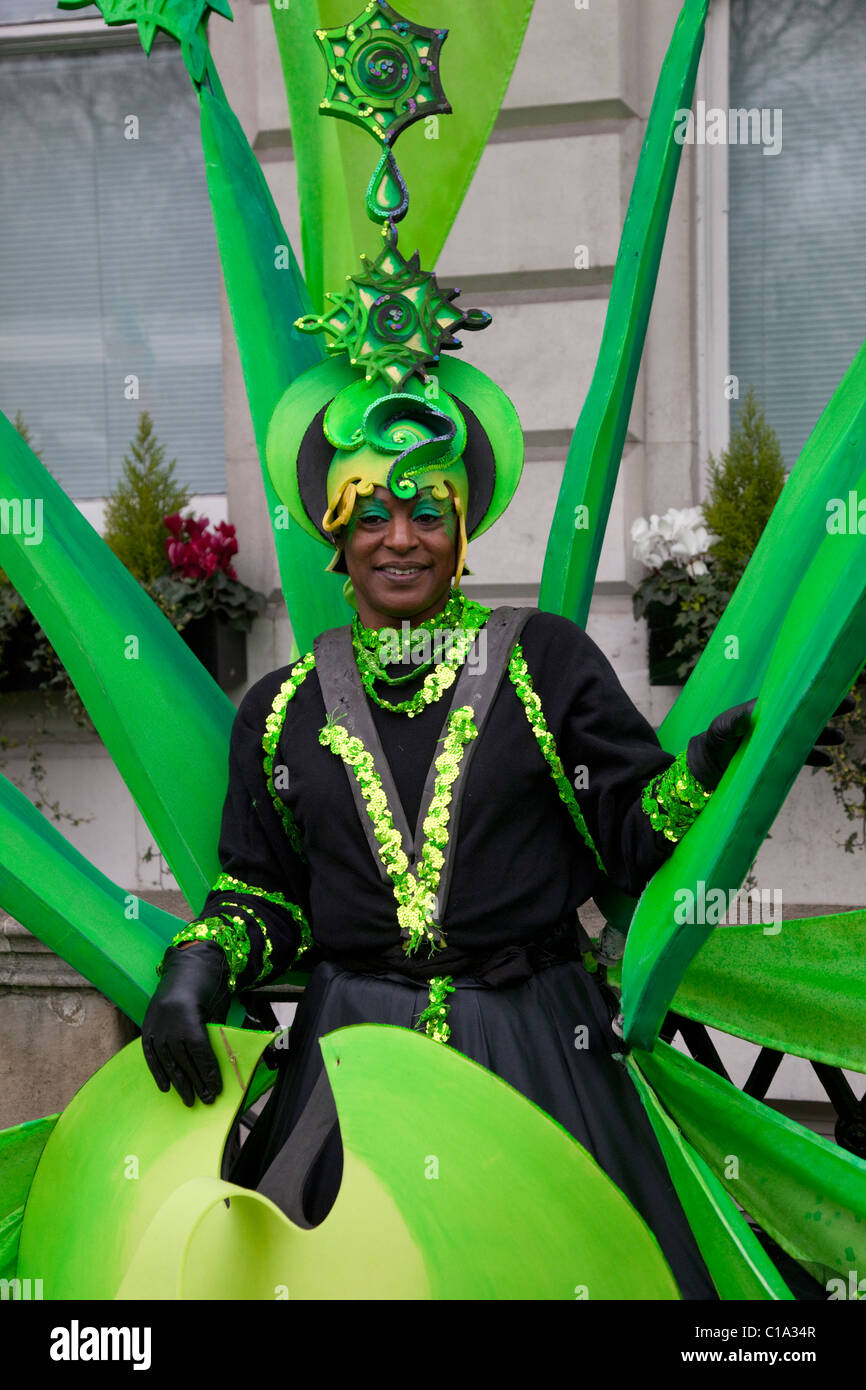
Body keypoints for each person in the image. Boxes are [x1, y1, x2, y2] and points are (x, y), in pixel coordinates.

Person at [141, 365, 785, 1299]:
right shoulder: (278, 711)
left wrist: (703, 777)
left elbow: (630, 838)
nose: (399, 542)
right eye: (371, 517)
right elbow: (262, 892)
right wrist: (195, 966)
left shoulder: (546, 662)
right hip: (349, 1067)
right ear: (336, 535)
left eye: (427, 515)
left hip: (536, 1050)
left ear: (463, 531)